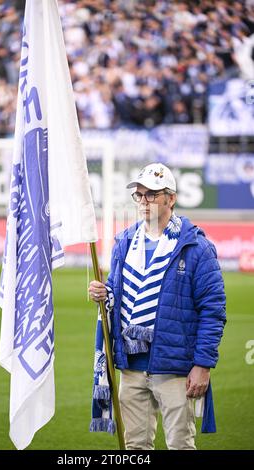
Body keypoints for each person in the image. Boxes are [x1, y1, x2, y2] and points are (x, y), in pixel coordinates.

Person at [89, 162, 226, 450]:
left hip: (174, 366)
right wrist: (104, 294)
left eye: (151, 194)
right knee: (135, 448)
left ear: (171, 198)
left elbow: (213, 311)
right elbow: (118, 292)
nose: (143, 201)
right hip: (130, 365)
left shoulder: (197, 247)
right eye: (139, 195)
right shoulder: (124, 242)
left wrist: (203, 364)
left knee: (180, 446)